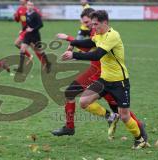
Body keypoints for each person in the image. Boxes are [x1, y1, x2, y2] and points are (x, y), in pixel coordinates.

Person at [61, 10, 149, 149]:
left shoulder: (112, 36)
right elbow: (89, 42)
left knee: (125, 116)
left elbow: (97, 55)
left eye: (96, 24)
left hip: (120, 82)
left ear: (105, 23)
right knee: (84, 101)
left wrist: (74, 55)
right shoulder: (99, 34)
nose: (94, 27)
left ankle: (140, 139)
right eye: (93, 24)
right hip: (104, 80)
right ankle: (110, 117)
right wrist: (71, 40)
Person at [52, 8, 120, 139]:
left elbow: (88, 47)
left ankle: (135, 127)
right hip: (95, 70)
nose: (87, 25)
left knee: (118, 106)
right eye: (84, 23)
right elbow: (89, 48)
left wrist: (69, 39)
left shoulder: (98, 31)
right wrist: (73, 44)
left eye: (88, 22)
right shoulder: (96, 30)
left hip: (100, 73)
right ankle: (69, 127)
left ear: (95, 20)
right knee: (70, 93)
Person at [15, 1, 51, 73]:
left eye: (31, 5)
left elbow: (41, 25)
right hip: (27, 35)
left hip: (35, 35)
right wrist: (23, 30)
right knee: (22, 49)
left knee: (39, 51)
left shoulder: (36, 14)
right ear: (27, 6)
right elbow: (26, 25)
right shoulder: (25, 14)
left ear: (33, 6)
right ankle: (20, 68)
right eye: (28, 5)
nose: (30, 6)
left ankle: (48, 63)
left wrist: (33, 29)